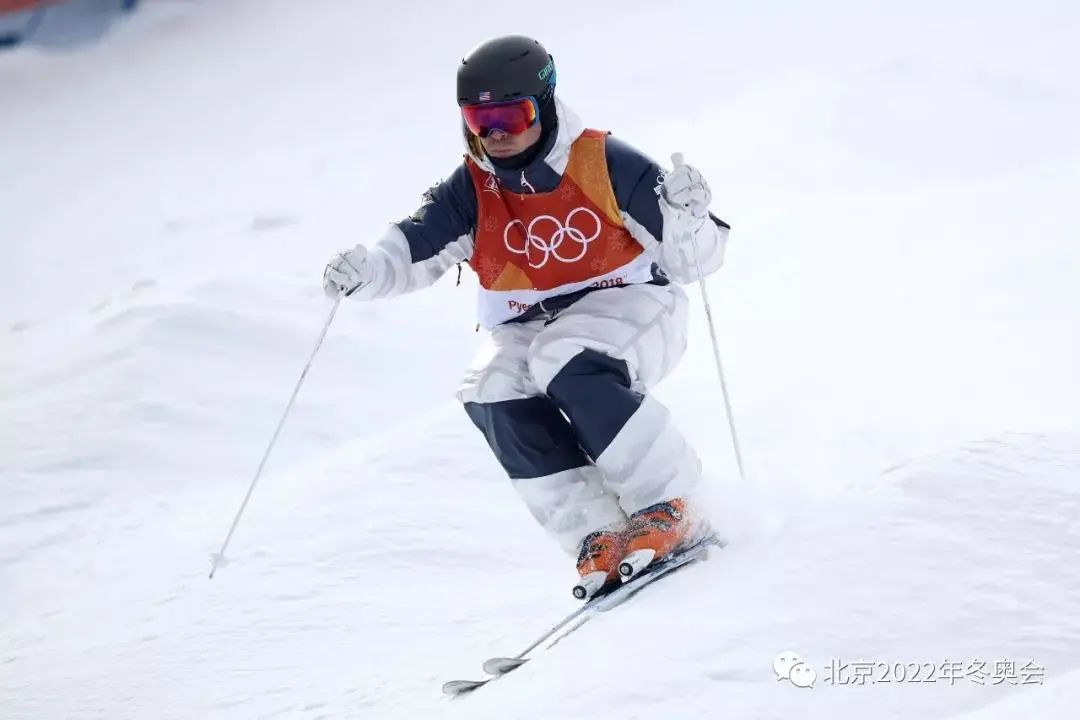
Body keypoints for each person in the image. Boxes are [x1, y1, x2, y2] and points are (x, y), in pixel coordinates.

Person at [323, 35, 730, 598]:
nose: (496, 133)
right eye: (479, 119)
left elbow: (692, 259)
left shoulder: (604, 161)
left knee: (566, 359)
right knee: (489, 389)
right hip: (527, 323)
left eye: (511, 115)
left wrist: (691, 215)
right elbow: (407, 251)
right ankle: (600, 533)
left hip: (634, 303)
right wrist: (366, 270)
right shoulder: (472, 186)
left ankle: (670, 506)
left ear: (543, 104)